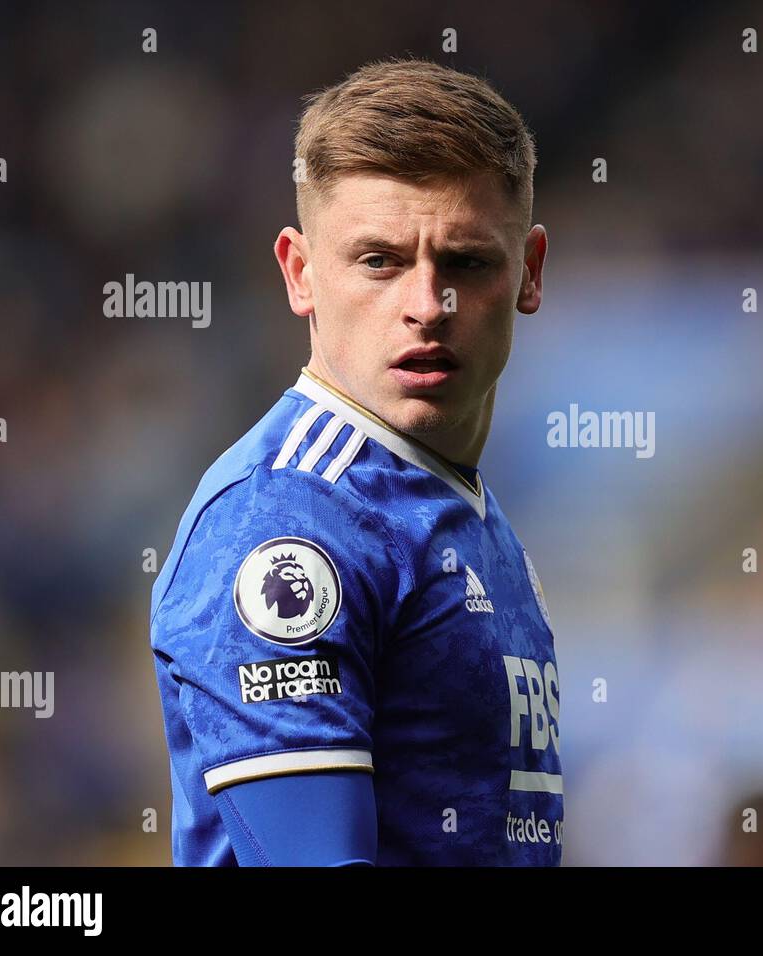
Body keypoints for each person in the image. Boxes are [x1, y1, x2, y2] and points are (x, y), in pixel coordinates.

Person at [149, 57, 561, 865]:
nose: (425, 305)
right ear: (301, 274)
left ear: (530, 271)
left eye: (467, 262)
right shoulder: (286, 527)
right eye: (379, 261)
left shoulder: (458, 508)